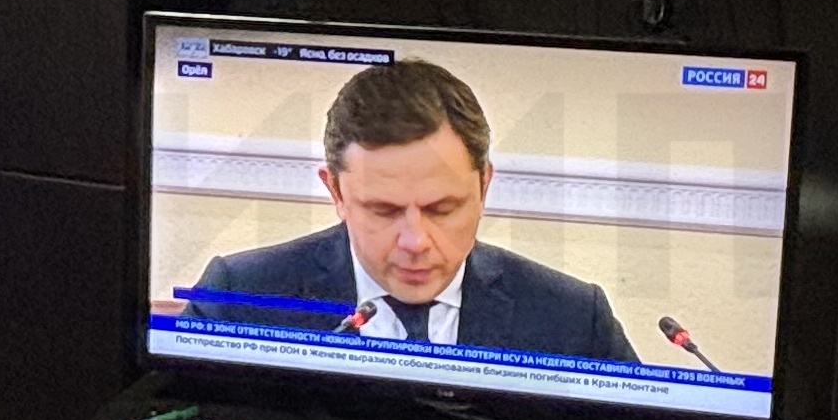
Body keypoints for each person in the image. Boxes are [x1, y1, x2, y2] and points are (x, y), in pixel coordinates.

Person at [186, 56, 640, 365]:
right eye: (384, 211)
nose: (416, 242)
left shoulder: (573, 318)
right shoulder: (238, 298)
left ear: (484, 186)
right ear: (336, 192)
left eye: (442, 209)